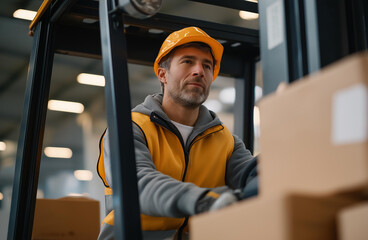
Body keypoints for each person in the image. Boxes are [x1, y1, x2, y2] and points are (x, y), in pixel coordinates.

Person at [97, 26, 256, 240]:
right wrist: (205, 201)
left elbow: (252, 177)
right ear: (163, 74)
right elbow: (138, 185)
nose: (199, 71)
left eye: (207, 65)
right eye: (188, 61)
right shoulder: (129, 128)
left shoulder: (226, 141)